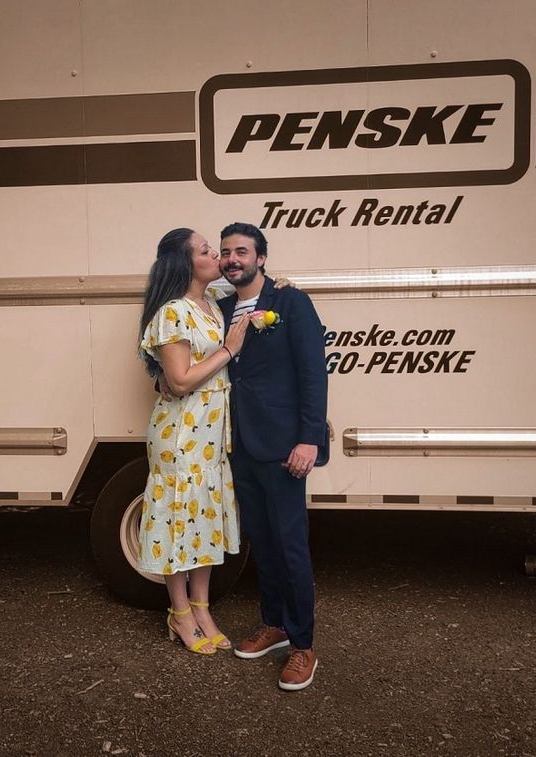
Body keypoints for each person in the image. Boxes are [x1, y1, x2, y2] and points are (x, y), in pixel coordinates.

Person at [217, 222, 328, 690]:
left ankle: (303, 646)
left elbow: (312, 373)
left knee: (290, 546)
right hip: (239, 444)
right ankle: (274, 624)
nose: (232, 259)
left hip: (284, 447)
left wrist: (308, 439)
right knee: (260, 542)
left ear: (261, 258)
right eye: (225, 252)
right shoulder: (218, 308)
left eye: (242, 251)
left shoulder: (291, 303)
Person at [137, 227, 252, 654]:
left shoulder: (211, 305)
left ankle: (202, 608)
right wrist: (229, 349)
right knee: (178, 519)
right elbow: (181, 380)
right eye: (206, 250)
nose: (216, 256)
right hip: (181, 435)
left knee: (203, 521)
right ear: (187, 263)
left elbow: (256, 288)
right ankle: (180, 613)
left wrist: (285, 285)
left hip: (211, 435)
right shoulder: (173, 312)